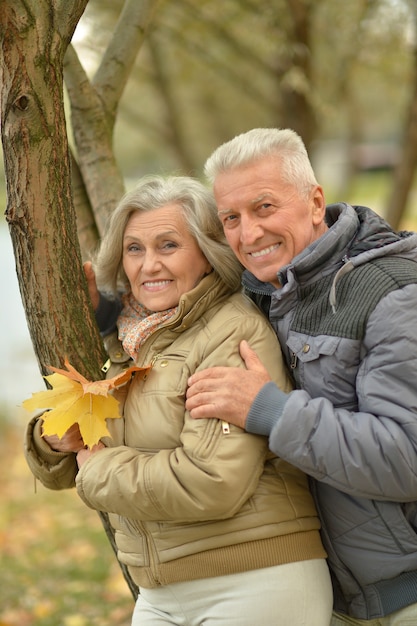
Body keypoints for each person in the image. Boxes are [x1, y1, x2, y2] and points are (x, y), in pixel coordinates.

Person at [24, 175, 332, 626]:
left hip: (256, 580)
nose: (149, 265)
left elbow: (211, 482)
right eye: (134, 249)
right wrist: (53, 442)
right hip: (161, 592)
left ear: (208, 254)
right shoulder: (131, 340)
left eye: (168, 245)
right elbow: (74, 454)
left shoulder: (232, 333)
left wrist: (97, 469)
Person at [184, 128, 417, 625]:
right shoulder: (262, 292)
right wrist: (108, 307)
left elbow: (409, 457)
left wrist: (270, 411)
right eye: (231, 218)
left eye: (264, 208)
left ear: (315, 203)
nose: (248, 235)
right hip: (318, 598)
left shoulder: (393, 292)